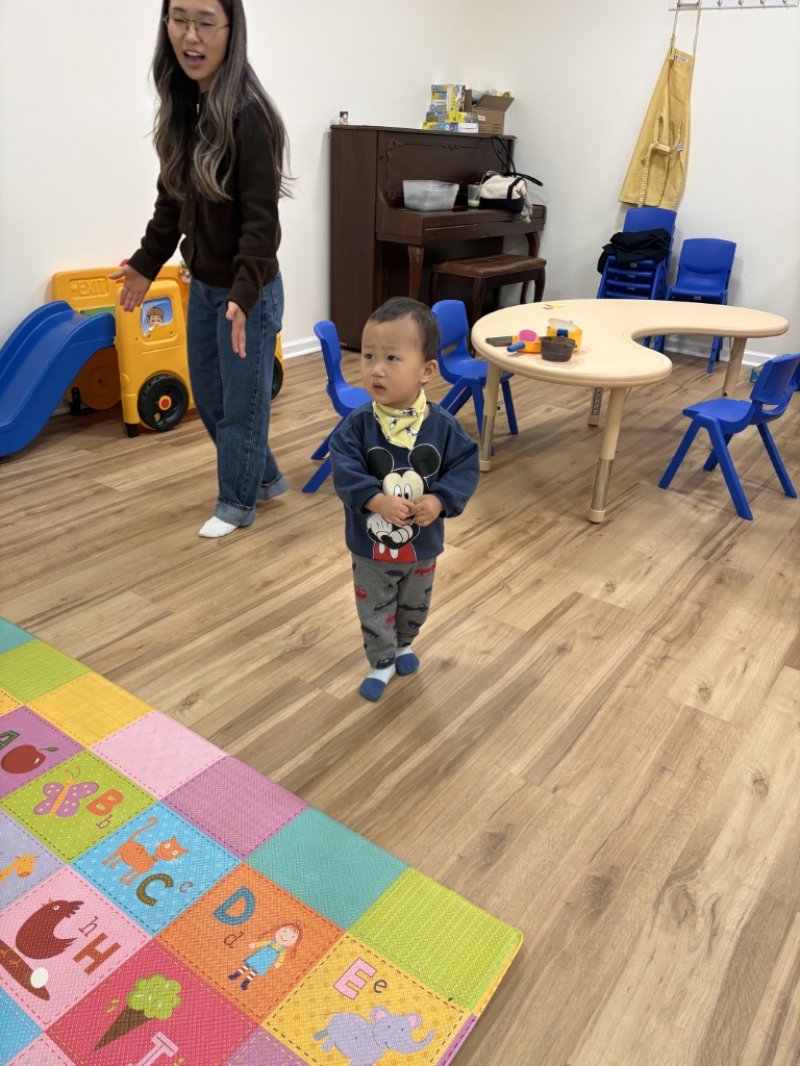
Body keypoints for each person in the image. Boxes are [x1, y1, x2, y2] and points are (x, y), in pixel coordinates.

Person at [112, 0, 291, 538]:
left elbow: (261, 222)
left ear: (231, 31)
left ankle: (237, 503)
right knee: (211, 399)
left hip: (247, 292)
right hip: (206, 284)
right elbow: (172, 200)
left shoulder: (249, 115)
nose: (191, 36)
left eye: (205, 22)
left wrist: (244, 291)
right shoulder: (186, 105)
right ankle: (264, 477)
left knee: (241, 406)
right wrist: (146, 262)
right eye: (179, 19)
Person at [329, 298, 479, 702]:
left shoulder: (443, 427)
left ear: (426, 370)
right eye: (369, 356)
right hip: (370, 549)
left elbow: (465, 466)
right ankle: (381, 661)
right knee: (375, 607)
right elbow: (344, 467)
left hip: (422, 547)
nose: (376, 369)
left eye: (392, 358)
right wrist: (374, 500)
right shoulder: (358, 425)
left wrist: (440, 500)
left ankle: (404, 644)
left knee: (415, 604)